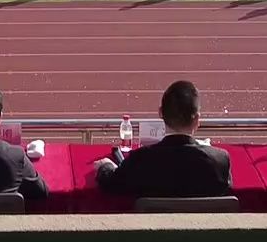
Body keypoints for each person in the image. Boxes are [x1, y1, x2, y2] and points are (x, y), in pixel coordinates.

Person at [92, 81, 232, 200]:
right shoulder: (220, 160)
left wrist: (105, 167)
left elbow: (111, 184)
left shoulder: (142, 159)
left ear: (160, 113)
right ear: (197, 119)